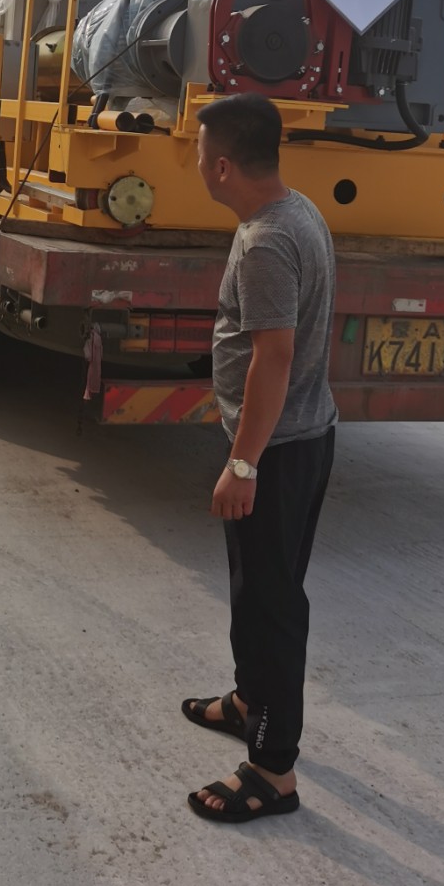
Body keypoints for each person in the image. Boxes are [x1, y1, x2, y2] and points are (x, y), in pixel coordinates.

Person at [181, 92, 336, 824]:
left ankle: (273, 770)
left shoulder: (267, 242)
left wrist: (243, 464)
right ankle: (250, 701)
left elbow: (274, 358)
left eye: (197, 152)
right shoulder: (298, 211)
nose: (194, 163)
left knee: (271, 606)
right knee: (257, 593)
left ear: (221, 166)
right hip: (299, 435)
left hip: (276, 449)